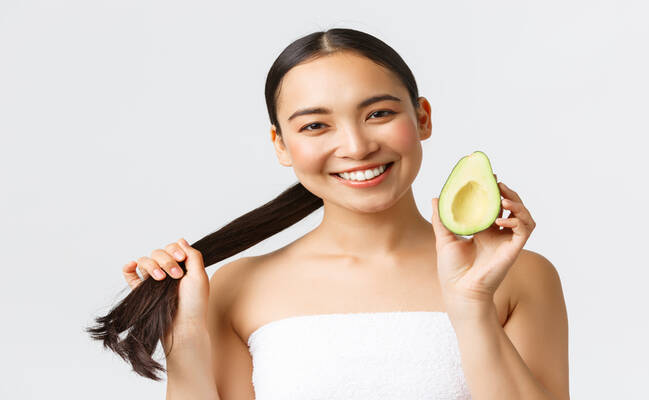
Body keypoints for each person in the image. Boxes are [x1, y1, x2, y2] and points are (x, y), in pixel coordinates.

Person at [121, 28, 569, 400]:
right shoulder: (238, 288)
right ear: (280, 144)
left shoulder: (519, 276)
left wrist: (471, 304)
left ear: (423, 118)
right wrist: (185, 344)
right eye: (315, 125)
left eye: (378, 113)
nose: (356, 147)